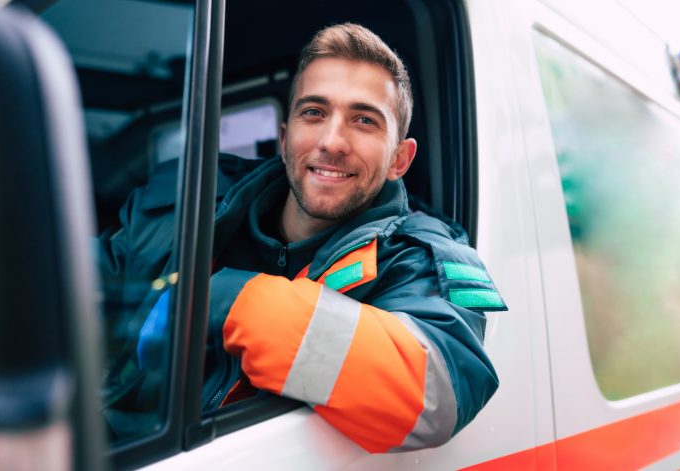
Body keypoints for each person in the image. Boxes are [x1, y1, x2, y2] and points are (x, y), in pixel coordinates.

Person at [137, 23, 506, 452]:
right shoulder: (179, 205)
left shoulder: (424, 259)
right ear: (284, 136)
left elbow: (437, 394)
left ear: (399, 160)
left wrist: (232, 300)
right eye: (313, 113)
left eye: (364, 120)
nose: (332, 142)